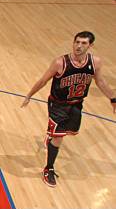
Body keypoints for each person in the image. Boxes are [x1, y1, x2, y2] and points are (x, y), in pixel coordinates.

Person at [21, 31, 116, 187]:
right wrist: (29, 95)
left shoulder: (95, 62)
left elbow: (101, 82)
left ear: (90, 46)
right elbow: (43, 80)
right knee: (59, 138)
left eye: (83, 43)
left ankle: (50, 136)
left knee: (67, 133)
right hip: (58, 105)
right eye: (77, 42)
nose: (78, 46)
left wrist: (113, 98)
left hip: (77, 104)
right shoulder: (60, 63)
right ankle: (48, 169)